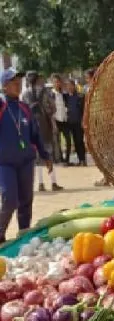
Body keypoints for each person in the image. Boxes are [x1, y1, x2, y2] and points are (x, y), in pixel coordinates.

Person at [0, 68, 53, 243]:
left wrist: (45, 156)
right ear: (4, 86)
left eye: (19, 82)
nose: (18, 84)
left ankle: (23, 234)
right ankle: (0, 233)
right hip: (5, 163)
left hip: (26, 162)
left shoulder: (25, 108)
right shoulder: (2, 106)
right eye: (13, 82)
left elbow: (35, 134)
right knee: (9, 200)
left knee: (26, 201)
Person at [22, 71, 63, 192]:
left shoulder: (25, 94)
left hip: (31, 127)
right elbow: (52, 107)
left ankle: (40, 183)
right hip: (45, 126)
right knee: (48, 153)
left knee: (37, 157)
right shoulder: (45, 92)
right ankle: (53, 182)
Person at [65, 78, 86, 166]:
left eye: (71, 85)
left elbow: (84, 110)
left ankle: (83, 160)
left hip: (78, 122)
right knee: (74, 141)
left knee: (80, 141)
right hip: (70, 123)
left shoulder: (80, 96)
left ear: (74, 86)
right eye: (67, 86)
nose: (69, 87)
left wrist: (83, 121)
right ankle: (79, 159)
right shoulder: (65, 97)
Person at [52, 74, 70, 165]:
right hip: (56, 121)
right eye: (55, 82)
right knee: (57, 141)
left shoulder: (64, 94)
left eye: (58, 82)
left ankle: (67, 159)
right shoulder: (51, 94)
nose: (57, 83)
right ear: (53, 83)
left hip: (64, 120)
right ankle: (60, 159)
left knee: (68, 140)